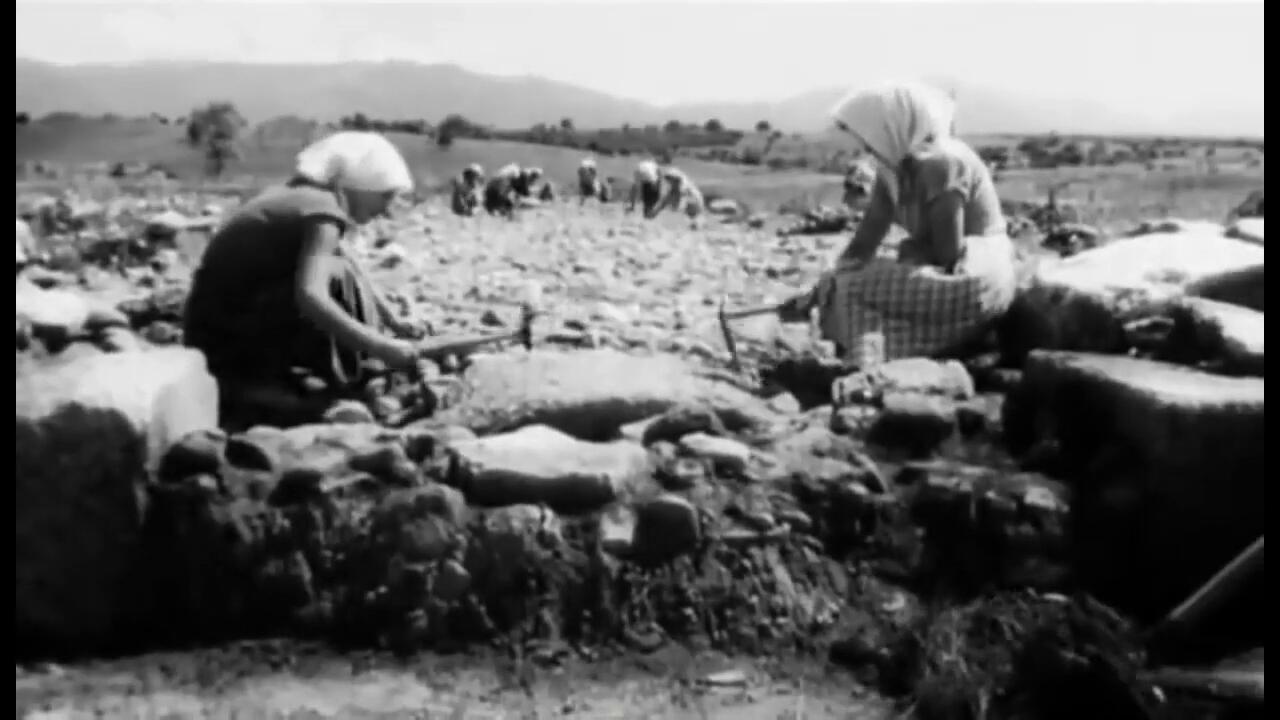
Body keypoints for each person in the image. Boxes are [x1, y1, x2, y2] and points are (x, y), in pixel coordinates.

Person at [182, 131, 425, 426]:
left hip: (208, 332)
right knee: (334, 276)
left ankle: (338, 373)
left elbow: (351, 261)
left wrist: (393, 321)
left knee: (340, 269)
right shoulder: (322, 212)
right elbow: (311, 295)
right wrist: (380, 346)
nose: (386, 209)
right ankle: (294, 386)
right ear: (360, 186)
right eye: (385, 195)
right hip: (225, 346)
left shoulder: (301, 197)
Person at [776, 81, 1017, 363]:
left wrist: (908, 256)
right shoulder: (891, 171)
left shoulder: (942, 164)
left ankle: (869, 363)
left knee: (855, 286)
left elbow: (947, 254)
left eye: (870, 136)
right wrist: (823, 285)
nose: (867, 146)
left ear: (892, 127)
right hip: (948, 270)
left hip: (977, 276)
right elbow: (864, 243)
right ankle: (872, 356)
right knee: (842, 283)